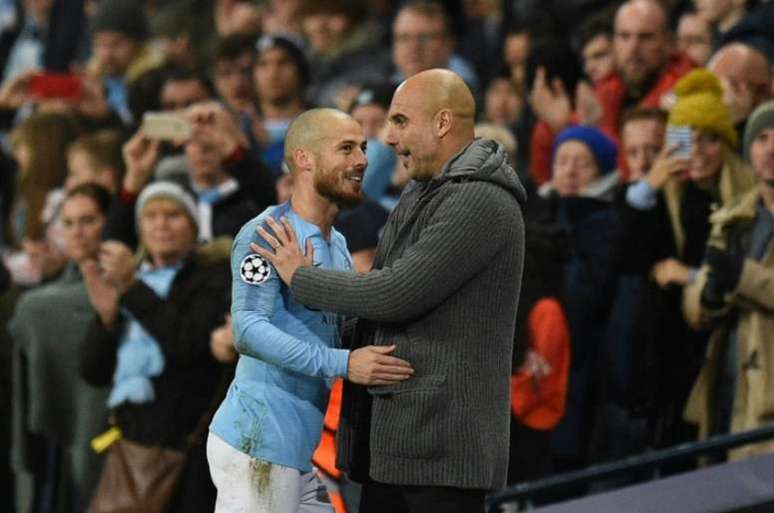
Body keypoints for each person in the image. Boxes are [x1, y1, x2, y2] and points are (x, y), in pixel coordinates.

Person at [252, 69, 526, 513]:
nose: (388, 139)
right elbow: (379, 305)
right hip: (403, 441)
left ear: (440, 122)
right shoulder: (424, 192)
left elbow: (396, 292)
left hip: (442, 449)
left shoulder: (479, 199)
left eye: (399, 121)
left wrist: (302, 278)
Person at [207, 107, 413, 513]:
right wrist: (344, 363)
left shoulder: (336, 243)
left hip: (296, 453)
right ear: (305, 158)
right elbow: (247, 329)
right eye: (346, 148)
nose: (361, 161)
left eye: (363, 148)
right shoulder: (268, 233)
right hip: (258, 444)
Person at [79, 182, 232, 513]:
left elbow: (187, 342)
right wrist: (106, 321)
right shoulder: (133, 278)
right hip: (130, 441)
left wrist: (132, 288)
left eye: (173, 215)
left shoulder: (213, 276)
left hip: (186, 446)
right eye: (151, 216)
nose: (161, 224)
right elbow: (92, 372)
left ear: (193, 226)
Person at [683, 100, 774, 460]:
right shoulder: (733, 216)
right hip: (726, 387)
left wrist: (742, 276)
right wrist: (707, 297)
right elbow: (695, 307)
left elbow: (738, 275)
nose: (770, 148)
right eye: (761, 138)